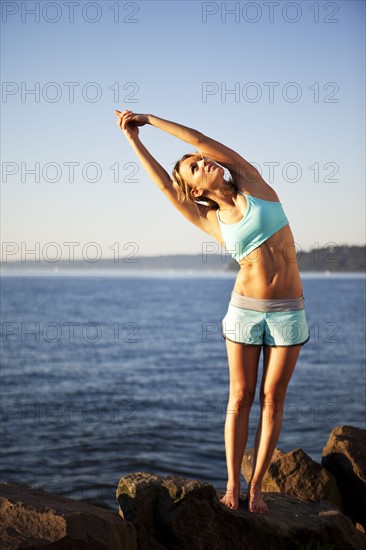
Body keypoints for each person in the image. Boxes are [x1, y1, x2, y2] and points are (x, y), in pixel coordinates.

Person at [114, 110, 310, 513]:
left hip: (289, 311)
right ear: (195, 190)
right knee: (240, 396)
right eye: (193, 167)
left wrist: (150, 120)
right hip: (244, 311)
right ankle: (233, 486)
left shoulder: (251, 181)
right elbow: (167, 189)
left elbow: (199, 138)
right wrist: (134, 140)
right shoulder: (210, 219)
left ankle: (256, 487)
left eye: (199, 158)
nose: (202, 161)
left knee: (273, 398)